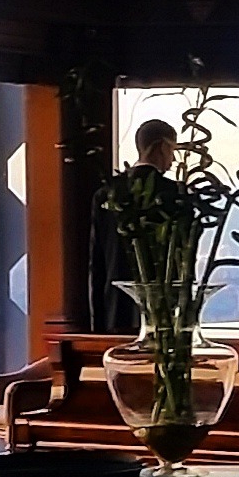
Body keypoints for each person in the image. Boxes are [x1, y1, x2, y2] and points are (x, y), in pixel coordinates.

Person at [89, 119, 183, 333]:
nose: (173, 159)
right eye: (172, 150)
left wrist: (97, 326)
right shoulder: (174, 194)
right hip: (162, 311)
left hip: (113, 309)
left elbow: (97, 263)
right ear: (161, 147)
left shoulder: (107, 193)